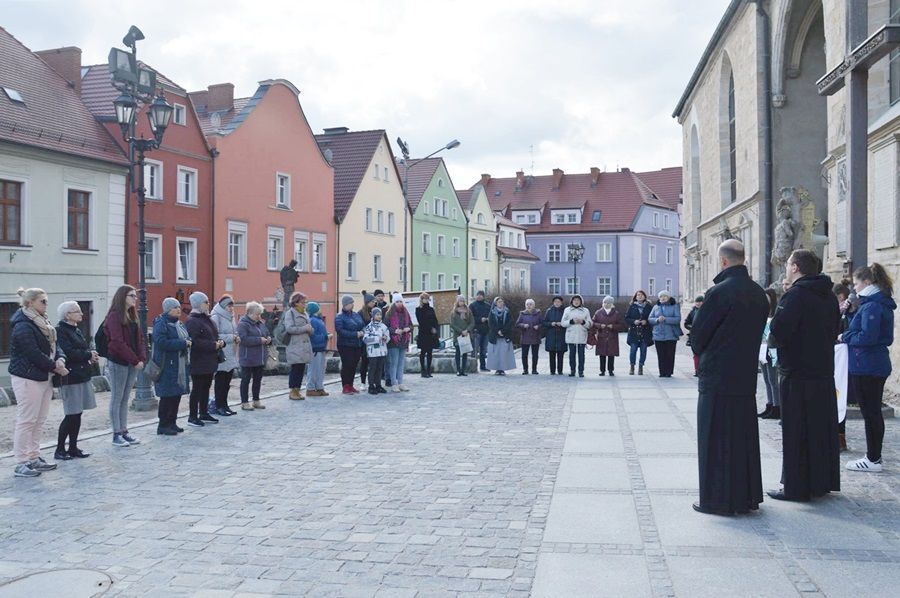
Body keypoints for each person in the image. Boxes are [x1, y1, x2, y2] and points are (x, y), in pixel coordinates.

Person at [689, 239, 769, 515]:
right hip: (744, 376)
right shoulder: (758, 293)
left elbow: (698, 336)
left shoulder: (719, 292)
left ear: (723, 261)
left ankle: (717, 499)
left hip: (717, 376)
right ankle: (746, 496)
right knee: (742, 437)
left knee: (715, 439)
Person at [767, 249, 841, 502]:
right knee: (820, 430)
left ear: (795, 267)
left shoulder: (796, 295)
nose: (786, 268)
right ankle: (821, 481)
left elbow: (778, 332)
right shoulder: (828, 296)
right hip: (822, 371)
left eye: (788, 264)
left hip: (797, 373)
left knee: (796, 431)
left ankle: (796, 486)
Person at [841, 264, 895, 473]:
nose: (854, 288)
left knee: (871, 413)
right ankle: (874, 457)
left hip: (868, 365)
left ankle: (873, 458)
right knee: (872, 412)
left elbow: (867, 337)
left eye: (856, 283)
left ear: (867, 282)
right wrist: (850, 314)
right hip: (870, 363)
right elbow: (863, 329)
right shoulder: (872, 303)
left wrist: (845, 337)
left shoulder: (872, 305)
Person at [9, 288, 67, 477]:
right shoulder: (23, 325)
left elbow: (55, 345)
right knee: (27, 420)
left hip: (44, 376)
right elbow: (32, 353)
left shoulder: (43, 321)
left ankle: (34, 457)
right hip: (27, 377)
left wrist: (60, 358)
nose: (46, 304)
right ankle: (21, 462)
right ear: (30, 302)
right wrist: (55, 366)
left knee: (39, 420)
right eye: (43, 301)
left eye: (46, 300)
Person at [53, 302, 98, 460]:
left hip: (81, 374)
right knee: (71, 414)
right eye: (77, 311)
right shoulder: (60, 331)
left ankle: (73, 447)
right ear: (67, 315)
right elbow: (69, 353)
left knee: (77, 413)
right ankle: (59, 449)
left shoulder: (76, 329)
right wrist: (88, 355)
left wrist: (90, 354)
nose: (81, 314)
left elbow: (82, 349)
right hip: (70, 377)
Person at [105, 285, 146, 447]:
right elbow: (117, 342)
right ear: (122, 297)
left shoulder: (132, 315)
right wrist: (135, 360)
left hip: (132, 362)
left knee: (125, 397)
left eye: (135, 296)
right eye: (131, 296)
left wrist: (141, 357)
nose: (135, 299)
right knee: (117, 397)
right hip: (119, 362)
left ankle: (124, 430)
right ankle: (116, 433)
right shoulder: (114, 316)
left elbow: (140, 338)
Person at [152, 298, 191, 435]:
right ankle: (163, 425)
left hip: (179, 365)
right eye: (175, 307)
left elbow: (187, 337)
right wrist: (183, 343)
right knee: (167, 396)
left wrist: (188, 341)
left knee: (176, 394)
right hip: (166, 365)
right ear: (168, 310)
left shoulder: (179, 324)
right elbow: (161, 342)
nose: (178, 309)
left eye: (179, 307)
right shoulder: (161, 323)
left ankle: (172, 422)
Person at [184, 292, 223, 428]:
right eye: (206, 302)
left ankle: (204, 412)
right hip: (198, 360)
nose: (208, 304)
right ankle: (192, 416)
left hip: (209, 359)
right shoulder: (192, 320)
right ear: (198, 304)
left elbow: (213, 335)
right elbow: (194, 341)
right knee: (197, 389)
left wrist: (219, 342)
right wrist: (212, 345)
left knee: (206, 387)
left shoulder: (207, 318)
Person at [237, 302, 271, 410]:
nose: (259, 316)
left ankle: (256, 400)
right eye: (257, 314)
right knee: (245, 380)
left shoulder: (260, 323)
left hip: (260, 358)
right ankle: (244, 402)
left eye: (260, 314)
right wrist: (259, 340)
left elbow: (266, 333)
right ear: (249, 313)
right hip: (248, 358)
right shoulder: (243, 324)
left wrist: (268, 339)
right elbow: (243, 340)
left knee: (257, 380)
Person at [210, 295, 239, 416]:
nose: (231, 308)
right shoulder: (216, 316)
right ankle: (219, 406)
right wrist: (232, 337)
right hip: (221, 354)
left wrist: (237, 337)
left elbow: (234, 331)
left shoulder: (231, 317)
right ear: (223, 306)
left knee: (227, 382)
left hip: (231, 353)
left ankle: (225, 404)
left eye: (232, 306)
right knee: (220, 381)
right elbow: (215, 335)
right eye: (229, 306)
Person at [284, 292, 313, 400]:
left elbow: (309, 327)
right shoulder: (290, 313)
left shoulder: (305, 313)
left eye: (305, 302)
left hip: (304, 345)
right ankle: (292, 391)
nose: (305, 304)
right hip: (295, 345)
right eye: (302, 302)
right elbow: (289, 328)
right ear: (296, 302)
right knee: (295, 368)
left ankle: (298, 390)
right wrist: (304, 328)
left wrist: (311, 329)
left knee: (301, 368)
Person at [758, 289, 781, 421]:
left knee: (773, 379)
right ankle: (770, 404)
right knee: (766, 379)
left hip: (771, 349)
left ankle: (777, 406)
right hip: (762, 348)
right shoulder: (762, 313)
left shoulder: (776, 314)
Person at [335, 294, 365, 394]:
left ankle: (351, 385)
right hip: (345, 345)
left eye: (352, 303)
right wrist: (355, 334)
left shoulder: (356, 315)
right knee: (347, 365)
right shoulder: (339, 317)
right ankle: (346, 386)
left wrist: (363, 331)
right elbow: (340, 331)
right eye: (350, 303)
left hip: (357, 344)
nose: (352, 304)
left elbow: (363, 325)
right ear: (345, 304)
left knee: (354, 365)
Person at [649, 290, 682, 377]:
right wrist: (657, 320)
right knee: (661, 355)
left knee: (670, 354)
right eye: (661, 296)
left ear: (668, 297)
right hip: (658, 334)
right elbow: (650, 319)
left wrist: (666, 319)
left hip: (671, 334)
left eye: (665, 296)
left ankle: (669, 372)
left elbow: (677, 319)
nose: (663, 298)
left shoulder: (674, 306)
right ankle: (662, 372)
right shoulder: (656, 307)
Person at [592, 296, 626, 376]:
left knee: (611, 354)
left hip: (612, 337)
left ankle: (611, 370)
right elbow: (593, 323)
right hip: (602, 336)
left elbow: (621, 325)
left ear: (612, 304)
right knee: (602, 354)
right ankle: (602, 370)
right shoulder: (598, 312)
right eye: (605, 302)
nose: (606, 304)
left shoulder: (616, 313)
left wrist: (613, 326)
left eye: (608, 303)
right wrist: (600, 325)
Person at [386, 293, 413, 391]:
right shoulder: (389, 313)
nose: (399, 303)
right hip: (393, 341)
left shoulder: (405, 312)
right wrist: (394, 331)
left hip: (403, 340)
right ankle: (394, 383)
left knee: (401, 363)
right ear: (394, 302)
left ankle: (400, 382)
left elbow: (411, 325)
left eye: (401, 301)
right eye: (397, 301)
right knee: (394, 363)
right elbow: (386, 327)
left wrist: (408, 328)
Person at [305, 302, 331, 397]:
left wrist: (326, 335)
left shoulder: (318, 320)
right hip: (315, 348)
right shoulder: (313, 320)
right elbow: (313, 336)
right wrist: (326, 337)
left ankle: (319, 387)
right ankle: (310, 388)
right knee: (314, 369)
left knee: (320, 369)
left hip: (320, 347)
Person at [562, 294, 591, 377]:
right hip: (571, 335)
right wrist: (571, 321)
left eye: (578, 300)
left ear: (581, 301)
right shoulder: (567, 310)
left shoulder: (586, 310)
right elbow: (563, 323)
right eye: (574, 300)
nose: (576, 302)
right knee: (572, 355)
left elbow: (589, 324)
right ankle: (572, 370)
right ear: (572, 301)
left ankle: (581, 371)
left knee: (581, 355)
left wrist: (583, 322)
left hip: (582, 335)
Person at [625, 291, 653, 375]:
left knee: (643, 350)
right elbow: (626, 318)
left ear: (645, 296)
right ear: (635, 297)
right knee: (633, 350)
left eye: (641, 295)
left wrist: (646, 322)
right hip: (634, 332)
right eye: (638, 295)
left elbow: (652, 318)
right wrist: (634, 321)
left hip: (645, 332)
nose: (640, 296)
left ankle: (641, 366)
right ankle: (632, 366)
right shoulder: (632, 306)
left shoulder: (649, 307)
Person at [363, 307, 390, 394]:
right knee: (372, 369)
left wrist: (386, 338)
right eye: (377, 315)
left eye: (380, 315)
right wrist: (377, 338)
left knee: (379, 368)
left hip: (382, 351)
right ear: (373, 315)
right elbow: (366, 339)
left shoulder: (384, 326)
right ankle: (371, 386)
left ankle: (378, 385)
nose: (379, 316)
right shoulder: (369, 327)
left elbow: (388, 336)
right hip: (373, 352)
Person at [486, 296, 516, 375]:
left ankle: (502, 369)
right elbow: (491, 323)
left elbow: (510, 322)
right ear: (495, 303)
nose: (500, 303)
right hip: (495, 336)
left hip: (505, 335)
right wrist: (497, 331)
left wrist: (503, 331)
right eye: (499, 302)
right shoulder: (492, 312)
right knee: (496, 353)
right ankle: (497, 368)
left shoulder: (507, 311)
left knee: (503, 353)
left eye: (502, 301)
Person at [415, 292, 440, 378]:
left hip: (431, 334)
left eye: (427, 298)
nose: (426, 300)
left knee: (430, 352)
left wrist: (435, 328)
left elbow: (435, 320)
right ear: (421, 299)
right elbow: (421, 321)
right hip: (423, 333)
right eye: (424, 298)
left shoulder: (431, 309)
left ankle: (429, 371)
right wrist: (430, 328)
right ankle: (423, 370)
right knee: (423, 352)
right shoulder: (418, 309)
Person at [516, 299, 543, 374]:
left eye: (530, 304)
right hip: (525, 336)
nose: (529, 306)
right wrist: (523, 325)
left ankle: (534, 369)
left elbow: (543, 323)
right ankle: (525, 369)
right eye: (527, 304)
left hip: (535, 336)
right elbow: (517, 324)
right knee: (524, 354)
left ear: (534, 305)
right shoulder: (522, 314)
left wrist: (538, 326)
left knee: (535, 355)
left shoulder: (538, 313)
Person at [450, 295, 475, 376]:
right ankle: (458, 370)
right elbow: (452, 324)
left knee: (465, 353)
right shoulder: (454, 312)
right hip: (458, 335)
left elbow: (472, 322)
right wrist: (461, 331)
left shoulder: (468, 311)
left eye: (463, 301)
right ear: (457, 302)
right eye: (460, 301)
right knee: (457, 353)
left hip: (466, 334)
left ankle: (463, 370)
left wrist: (467, 330)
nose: (462, 303)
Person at [542, 296, 567, 375]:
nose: (557, 303)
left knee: (560, 354)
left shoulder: (565, 311)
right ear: (553, 303)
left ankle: (560, 370)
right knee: (551, 354)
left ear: (561, 303)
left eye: (558, 302)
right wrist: (551, 324)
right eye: (555, 301)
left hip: (561, 335)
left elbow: (568, 322)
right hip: (551, 335)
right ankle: (552, 371)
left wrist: (562, 324)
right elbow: (544, 322)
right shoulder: (549, 311)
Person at [469, 290, 491, 371]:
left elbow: (491, 316)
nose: (479, 296)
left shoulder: (488, 306)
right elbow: (470, 318)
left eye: (481, 295)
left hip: (486, 330)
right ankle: (472, 367)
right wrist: (480, 319)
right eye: (478, 295)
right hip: (476, 331)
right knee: (474, 350)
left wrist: (488, 319)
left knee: (483, 350)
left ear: (483, 296)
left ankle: (483, 366)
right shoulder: (472, 306)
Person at [358, 293, 376, 387]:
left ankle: (372, 381)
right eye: (372, 301)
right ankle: (363, 382)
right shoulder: (361, 313)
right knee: (364, 362)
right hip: (365, 341)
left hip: (374, 340)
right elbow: (360, 326)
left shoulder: (373, 312)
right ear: (367, 302)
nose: (374, 303)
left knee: (373, 363)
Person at [683, 295, 704, 376]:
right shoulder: (692, 311)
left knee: (703, 354)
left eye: (700, 302)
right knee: (696, 354)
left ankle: (703, 370)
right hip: (694, 336)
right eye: (697, 302)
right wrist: (692, 327)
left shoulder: (708, 311)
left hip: (704, 335)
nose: (698, 303)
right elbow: (686, 323)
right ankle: (697, 370)